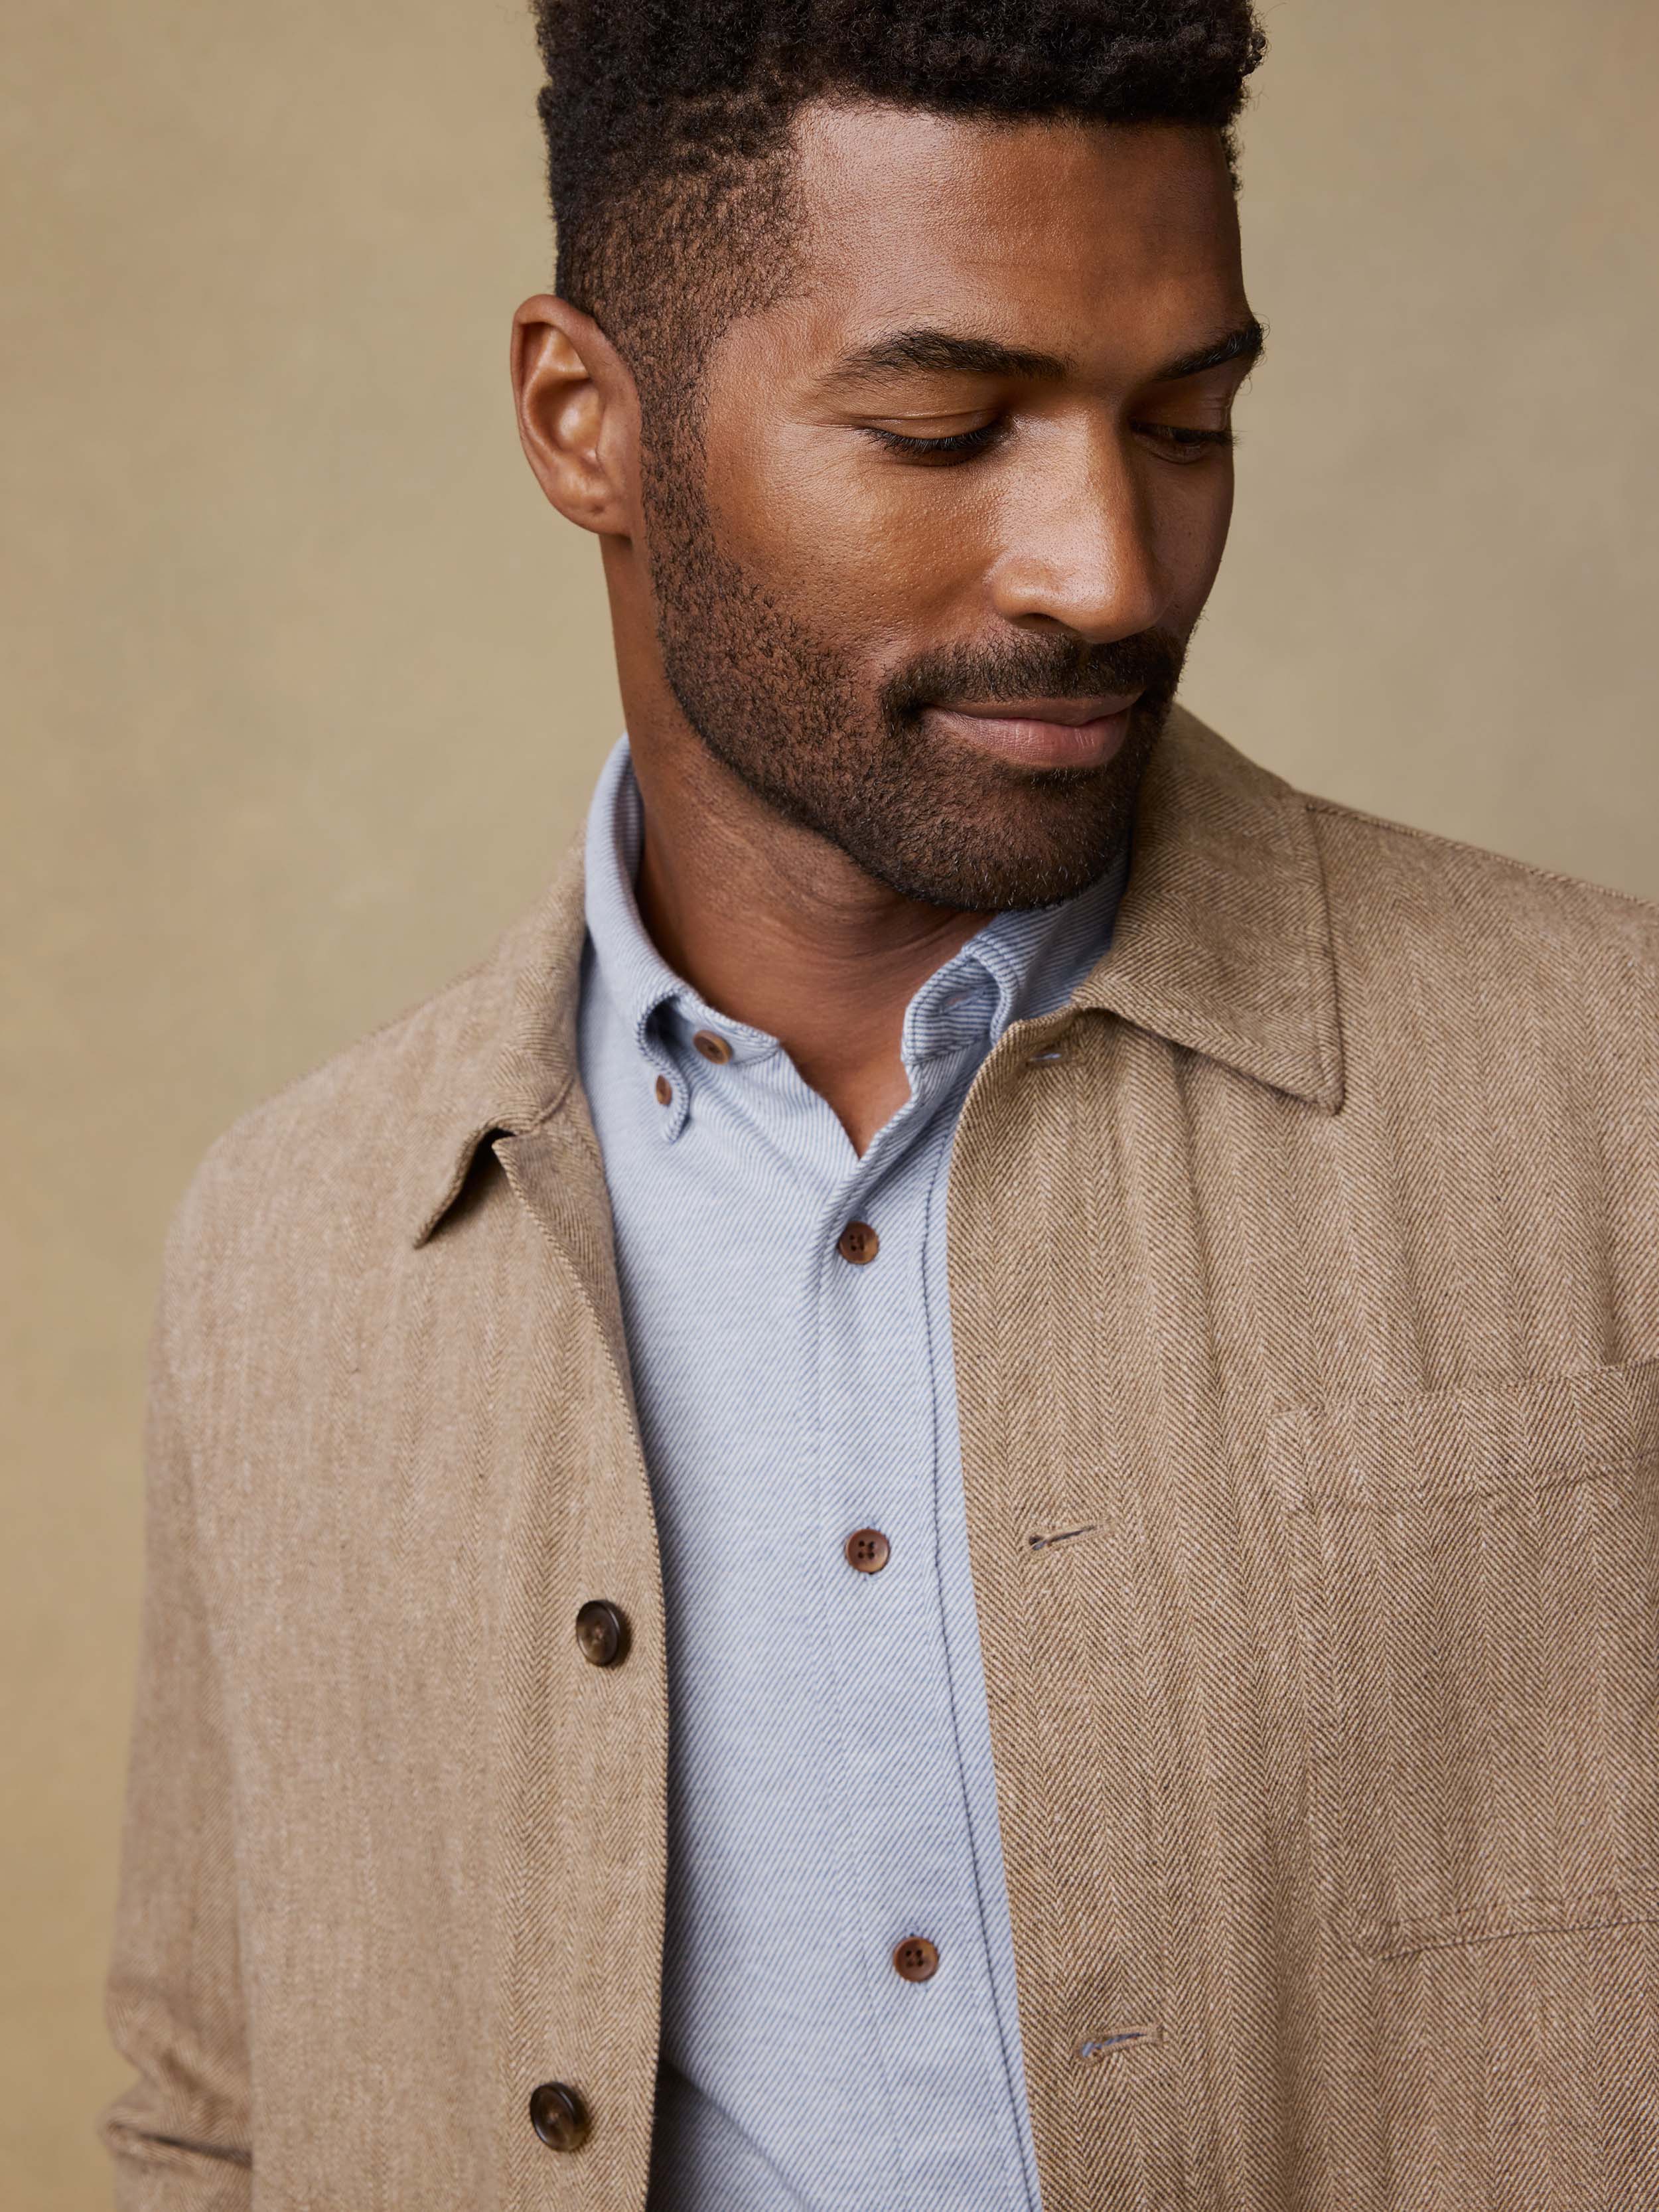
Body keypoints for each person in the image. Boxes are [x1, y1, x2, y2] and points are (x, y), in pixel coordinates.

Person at [100, 1, 1659, 2207]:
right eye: (942, 431)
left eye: (1188, 422)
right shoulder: (289, 1253)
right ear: (584, 421)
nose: (1106, 572)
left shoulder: (1618, 1096)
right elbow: (213, 2118)